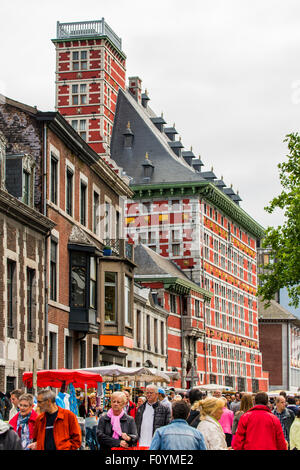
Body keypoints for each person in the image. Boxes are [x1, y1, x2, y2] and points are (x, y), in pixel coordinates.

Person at [135, 384, 171, 449]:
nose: (149, 395)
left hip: (155, 444)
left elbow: (167, 427)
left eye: (151, 393)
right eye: (147, 393)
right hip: (141, 443)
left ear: (157, 394)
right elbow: (136, 425)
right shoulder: (140, 408)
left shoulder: (165, 409)